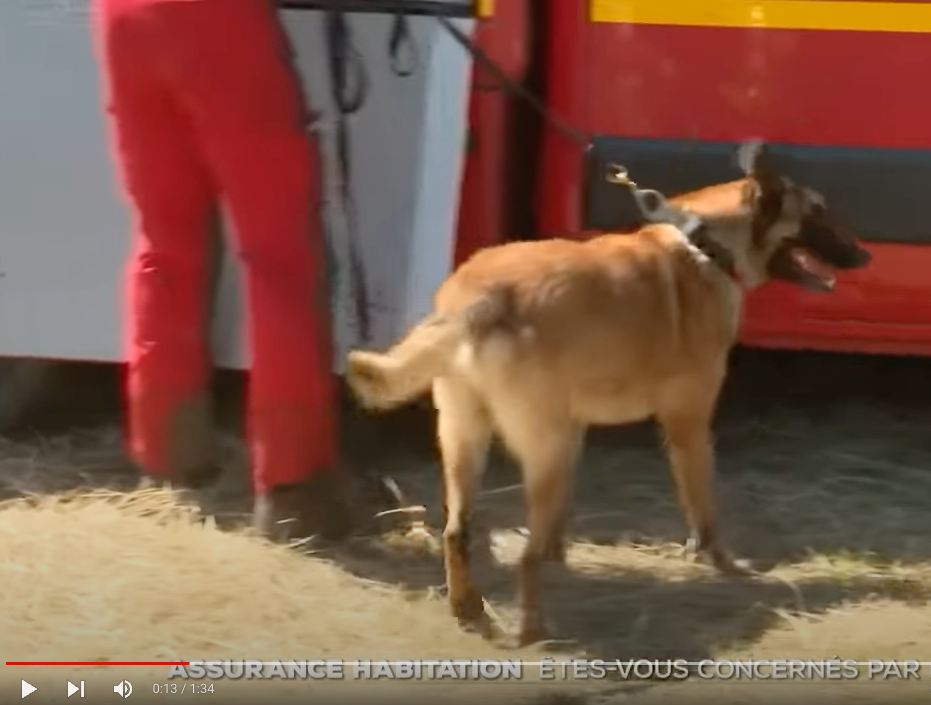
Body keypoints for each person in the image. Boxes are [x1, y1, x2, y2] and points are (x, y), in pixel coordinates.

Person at [91, 0, 397, 541]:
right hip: (219, 24)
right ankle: (295, 487)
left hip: (122, 22)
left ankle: (169, 452)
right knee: (280, 257)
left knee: (166, 240)